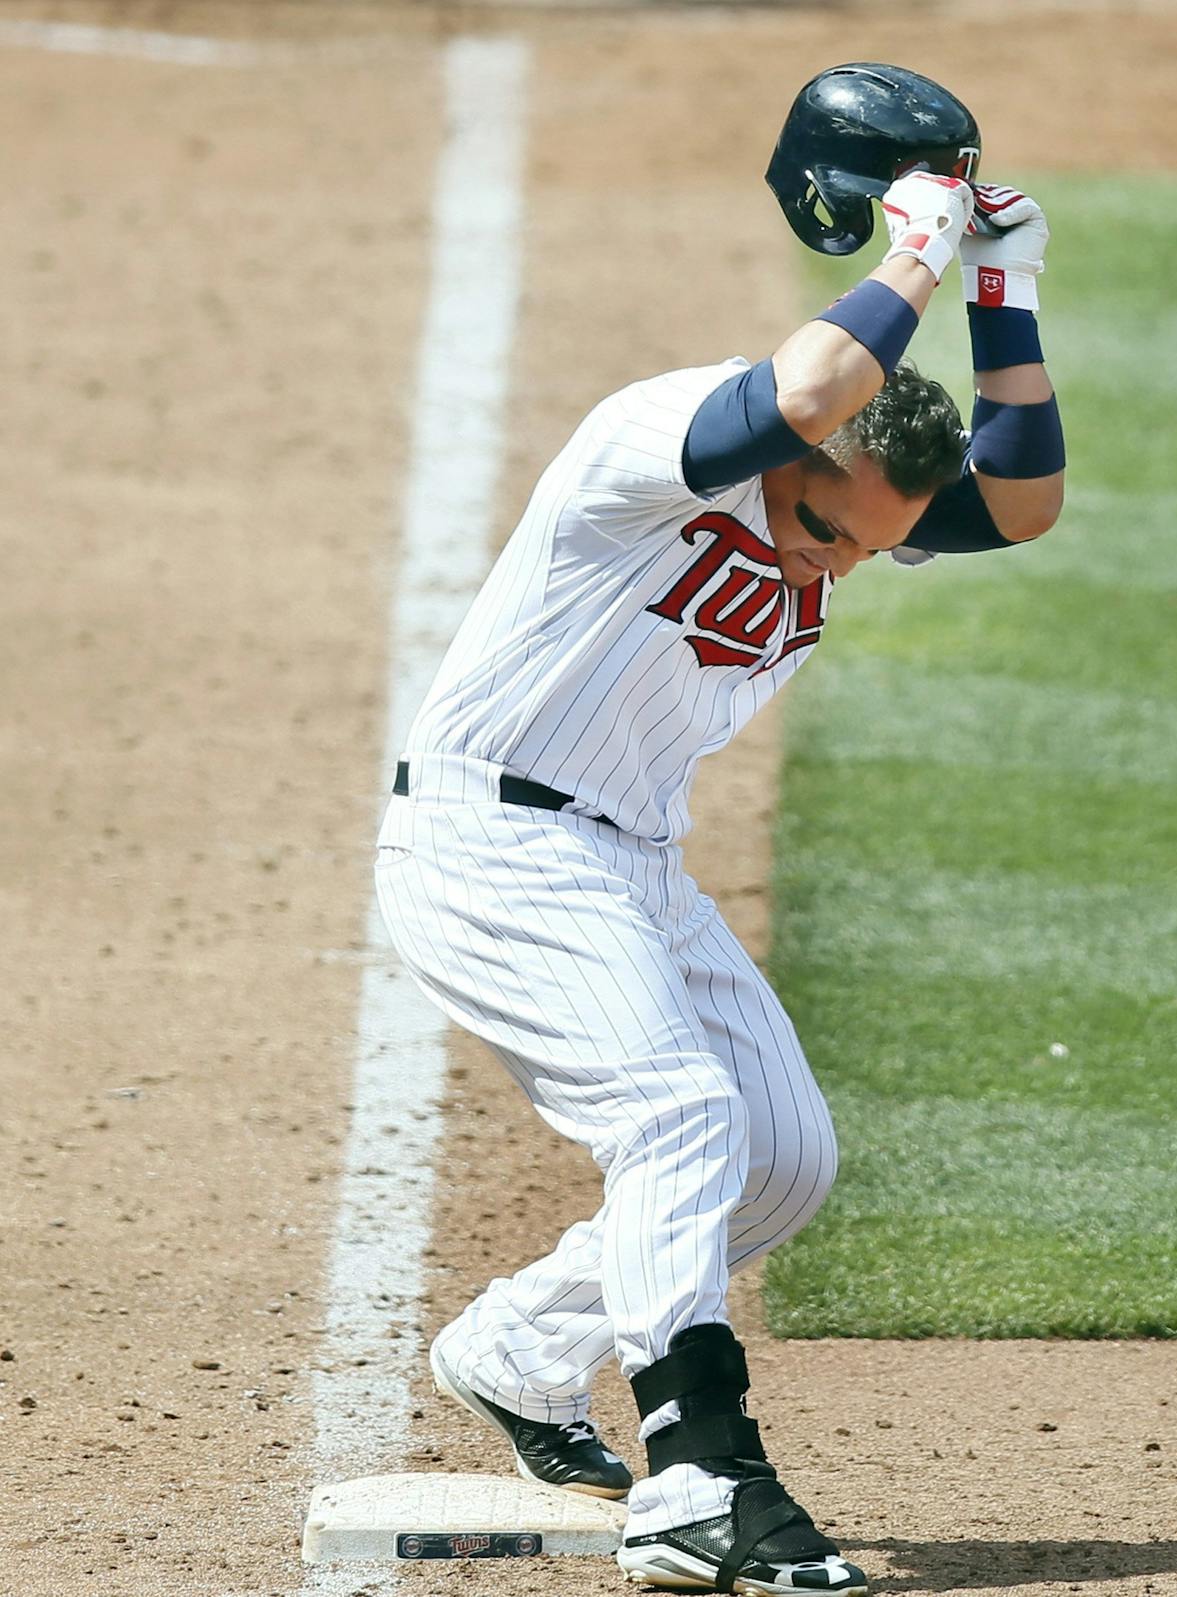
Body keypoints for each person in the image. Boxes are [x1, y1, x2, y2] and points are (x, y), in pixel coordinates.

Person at [374, 74, 1064, 1593]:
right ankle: (698, 1475)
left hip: (629, 860)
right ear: (789, 465)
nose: (846, 566)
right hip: (491, 841)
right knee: (680, 1115)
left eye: (872, 552)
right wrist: (913, 257)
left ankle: (514, 1350)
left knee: (782, 1163)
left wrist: (1002, 292)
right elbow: (809, 390)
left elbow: (1020, 508)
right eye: (831, 531)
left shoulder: (847, 484)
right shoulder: (652, 450)